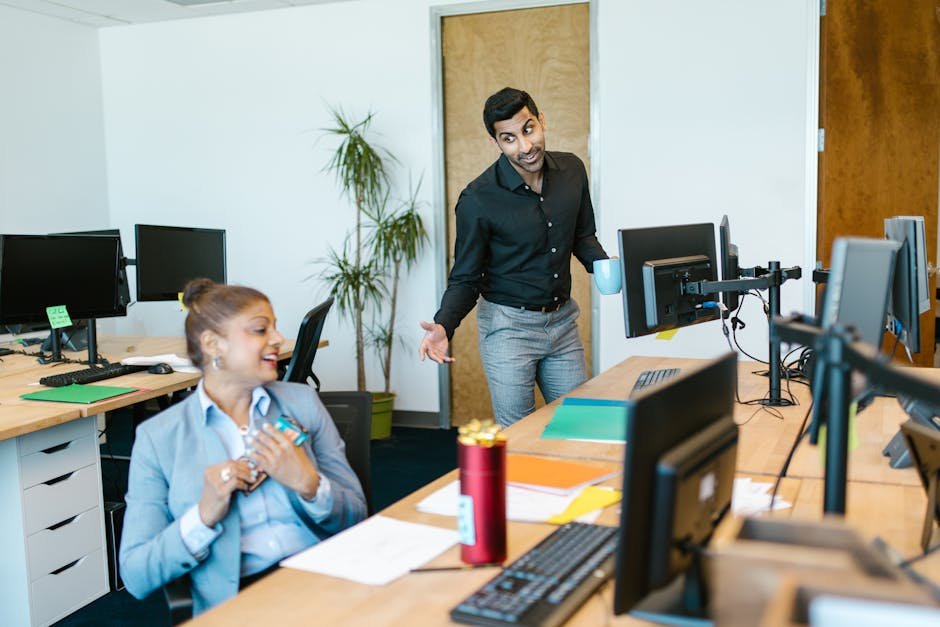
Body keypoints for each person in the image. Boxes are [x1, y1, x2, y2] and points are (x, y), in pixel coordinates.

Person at [120, 279, 366, 615]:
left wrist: (310, 485)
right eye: (260, 329)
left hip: (324, 582)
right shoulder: (159, 438)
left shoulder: (302, 403)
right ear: (213, 344)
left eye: (275, 328)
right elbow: (136, 575)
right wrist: (203, 517)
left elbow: (356, 515)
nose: (278, 340)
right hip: (241, 605)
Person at [419, 87, 609, 427]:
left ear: (541, 121)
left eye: (528, 129)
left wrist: (610, 270)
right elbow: (465, 277)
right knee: (519, 436)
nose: (524, 146)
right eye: (509, 138)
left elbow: (582, 236)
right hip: (509, 329)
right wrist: (444, 324)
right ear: (495, 143)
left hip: (563, 324)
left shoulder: (572, 171)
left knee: (580, 426)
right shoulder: (478, 199)